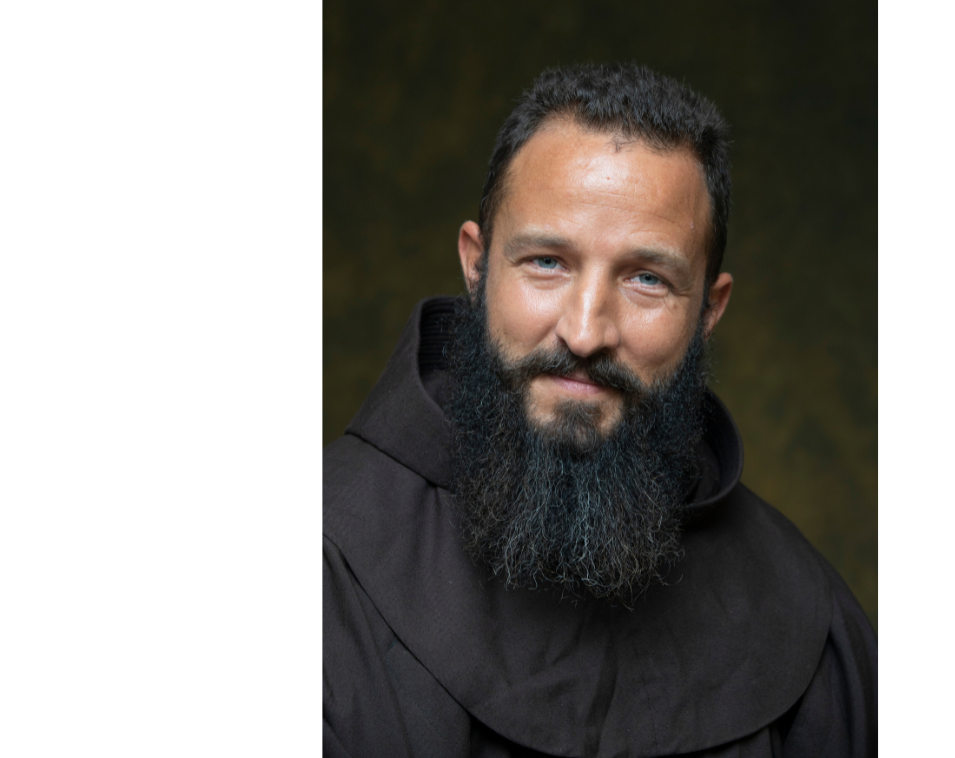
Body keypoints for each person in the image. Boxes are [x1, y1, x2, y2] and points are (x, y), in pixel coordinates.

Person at [324, 62, 877, 758]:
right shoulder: (318, 570)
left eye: (647, 279)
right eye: (547, 262)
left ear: (709, 310)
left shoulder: (810, 624)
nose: (586, 332)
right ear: (477, 265)